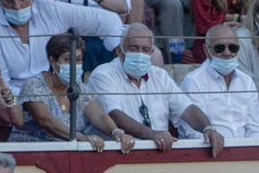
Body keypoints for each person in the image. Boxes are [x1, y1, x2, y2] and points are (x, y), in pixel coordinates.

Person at [0, 0, 125, 92]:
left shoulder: (50, 9)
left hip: (58, 95)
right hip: (13, 104)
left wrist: (119, 59)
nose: (16, 5)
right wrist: (39, 100)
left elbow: (108, 20)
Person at [92, 22, 228, 153]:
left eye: (145, 50)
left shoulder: (159, 75)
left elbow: (186, 108)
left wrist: (208, 128)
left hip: (158, 153)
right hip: (118, 153)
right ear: (119, 51)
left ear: (151, 53)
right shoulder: (103, 75)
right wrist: (151, 134)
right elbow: (114, 115)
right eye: (133, 48)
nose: (140, 54)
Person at [11, 30, 138, 148]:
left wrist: (116, 132)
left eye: (78, 59)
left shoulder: (78, 86)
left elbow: (99, 116)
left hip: (66, 154)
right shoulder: (34, 85)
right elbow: (46, 120)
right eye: (67, 59)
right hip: (31, 154)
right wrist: (80, 138)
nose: (74, 65)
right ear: (53, 61)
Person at [179, 22, 259, 139]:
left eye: (233, 48)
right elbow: (193, 132)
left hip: (243, 153)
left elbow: (255, 129)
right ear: (206, 50)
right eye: (219, 48)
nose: (227, 53)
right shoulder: (193, 81)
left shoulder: (246, 81)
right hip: (209, 152)